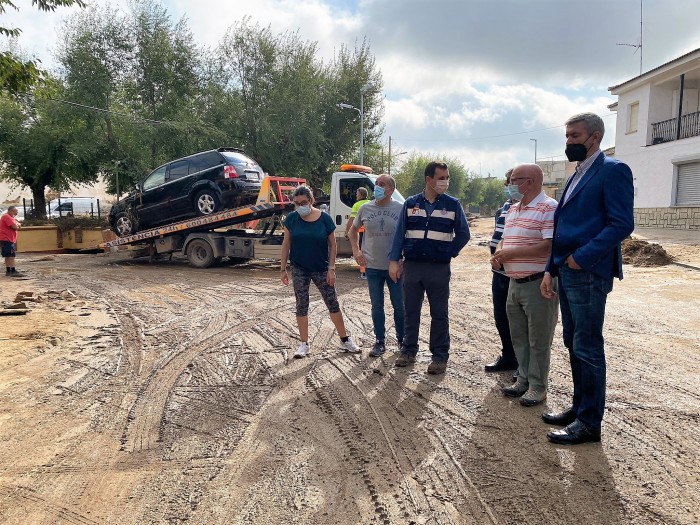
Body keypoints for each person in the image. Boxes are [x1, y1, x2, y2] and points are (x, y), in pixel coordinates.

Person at [541, 112, 634, 445]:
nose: (569, 142)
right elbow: (561, 226)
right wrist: (553, 268)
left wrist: (582, 257)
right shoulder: (576, 173)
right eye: (566, 136)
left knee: (588, 345)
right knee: (572, 341)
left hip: (589, 271)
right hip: (566, 270)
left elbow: (622, 224)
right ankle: (580, 407)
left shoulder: (613, 170)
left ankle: (589, 423)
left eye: (575, 136)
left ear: (595, 137)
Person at [389, 161, 470, 374]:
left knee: (439, 314)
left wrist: (448, 252)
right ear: (428, 180)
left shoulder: (452, 204)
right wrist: (394, 261)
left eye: (447, 177)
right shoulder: (410, 203)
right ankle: (408, 351)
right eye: (441, 178)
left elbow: (464, 234)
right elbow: (399, 234)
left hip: (438, 269)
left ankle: (439, 356)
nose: (445, 182)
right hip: (413, 267)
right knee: (411, 311)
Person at [492, 164, 559, 407]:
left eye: (514, 180)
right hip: (514, 281)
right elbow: (504, 240)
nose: (510, 184)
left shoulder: (548, 208)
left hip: (538, 281)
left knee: (538, 339)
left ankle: (538, 387)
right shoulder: (513, 209)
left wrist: (511, 253)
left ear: (529, 182)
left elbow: (548, 246)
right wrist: (500, 253)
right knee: (519, 336)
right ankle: (523, 379)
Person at [280, 185, 360, 358]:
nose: (301, 206)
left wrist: (332, 269)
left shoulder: (324, 218)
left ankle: (345, 340)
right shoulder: (292, 219)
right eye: (297, 203)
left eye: (304, 202)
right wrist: (282, 269)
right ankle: (304, 344)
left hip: (322, 268)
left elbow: (333, 245)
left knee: (332, 302)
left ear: (311, 201)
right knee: (301, 304)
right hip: (299, 268)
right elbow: (286, 244)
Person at [348, 175, 405, 357]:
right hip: (372, 266)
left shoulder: (400, 209)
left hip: (394, 267)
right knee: (377, 306)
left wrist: (404, 260)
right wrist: (356, 251)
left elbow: (409, 235)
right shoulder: (365, 208)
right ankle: (379, 341)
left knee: (400, 305)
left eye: (382, 184)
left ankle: (402, 341)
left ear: (391, 189)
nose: (378, 187)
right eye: (377, 184)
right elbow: (352, 230)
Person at [485, 168, 519, 377]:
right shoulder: (503, 209)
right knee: (501, 317)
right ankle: (508, 356)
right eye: (508, 182)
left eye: (513, 182)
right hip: (499, 274)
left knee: (520, 321)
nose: (510, 186)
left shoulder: (533, 209)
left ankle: (525, 365)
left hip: (517, 274)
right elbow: (499, 238)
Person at [345, 187, 370, 278]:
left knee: (361, 252)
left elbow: (352, 220)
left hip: (360, 232)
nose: (356, 195)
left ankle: (364, 272)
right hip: (369, 232)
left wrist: (347, 231)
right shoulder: (370, 203)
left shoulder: (357, 205)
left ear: (361, 195)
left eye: (357, 193)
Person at [1, 206, 23, 277]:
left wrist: (17, 224)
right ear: (11, 211)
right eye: (15, 211)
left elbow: (16, 224)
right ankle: (13, 270)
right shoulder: (7, 217)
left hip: (7, 239)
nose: (16, 213)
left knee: (7, 255)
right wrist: (18, 225)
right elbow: (15, 227)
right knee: (11, 255)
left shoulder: (10, 217)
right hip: (7, 239)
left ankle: (8, 270)